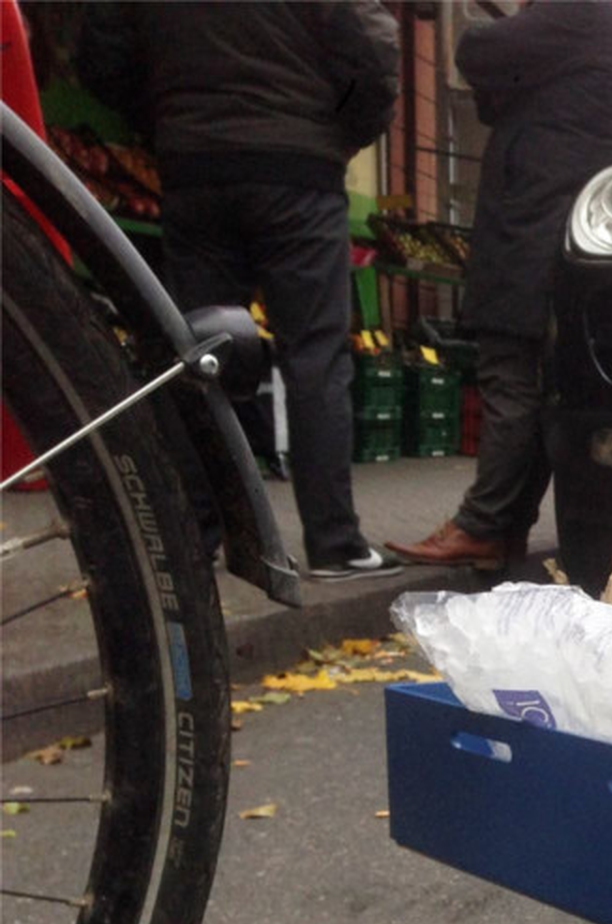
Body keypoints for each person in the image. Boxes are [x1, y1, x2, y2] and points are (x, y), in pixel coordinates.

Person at [78, 1, 402, 581]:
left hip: (194, 164)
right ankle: (333, 542)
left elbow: (103, 54)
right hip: (298, 169)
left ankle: (190, 541)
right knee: (315, 357)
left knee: (198, 357)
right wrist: (340, 133)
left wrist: (165, 121)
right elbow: (373, 52)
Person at [388, 0, 612, 573]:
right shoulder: (608, 25)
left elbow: (477, 53)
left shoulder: (579, 12)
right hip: (550, 229)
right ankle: (499, 533)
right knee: (534, 389)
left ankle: (482, 525)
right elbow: (494, 91)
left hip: (534, 231)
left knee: (510, 381)